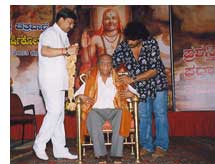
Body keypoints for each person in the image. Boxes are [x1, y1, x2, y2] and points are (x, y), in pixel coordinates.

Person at [112, 21, 169, 159]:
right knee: (143, 116)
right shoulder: (123, 47)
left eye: (134, 40)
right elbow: (111, 63)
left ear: (141, 38)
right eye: (128, 39)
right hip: (140, 88)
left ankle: (161, 146)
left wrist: (132, 79)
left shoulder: (151, 44)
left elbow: (154, 70)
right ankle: (147, 145)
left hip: (157, 84)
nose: (130, 42)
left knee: (160, 114)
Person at [33, 8, 79, 160]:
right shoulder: (49, 33)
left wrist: (71, 53)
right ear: (61, 19)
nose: (71, 26)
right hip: (50, 80)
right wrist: (66, 50)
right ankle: (39, 144)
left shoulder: (64, 36)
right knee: (54, 112)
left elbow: (65, 56)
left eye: (73, 23)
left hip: (60, 81)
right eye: (70, 22)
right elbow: (45, 51)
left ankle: (60, 149)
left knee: (59, 115)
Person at [74, 54, 138, 164]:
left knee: (121, 114)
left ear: (112, 66)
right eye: (103, 63)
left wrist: (131, 94)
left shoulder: (119, 79)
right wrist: (80, 97)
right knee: (92, 115)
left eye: (108, 63)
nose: (106, 66)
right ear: (98, 65)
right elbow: (76, 96)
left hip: (115, 111)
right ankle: (101, 155)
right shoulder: (91, 79)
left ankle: (116, 155)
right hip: (96, 111)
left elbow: (136, 94)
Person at [77, 8, 124, 88]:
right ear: (102, 21)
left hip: (120, 74)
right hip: (101, 73)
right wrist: (85, 48)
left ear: (118, 20)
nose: (110, 22)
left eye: (113, 18)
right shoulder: (96, 39)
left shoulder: (125, 38)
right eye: (107, 19)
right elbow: (86, 61)